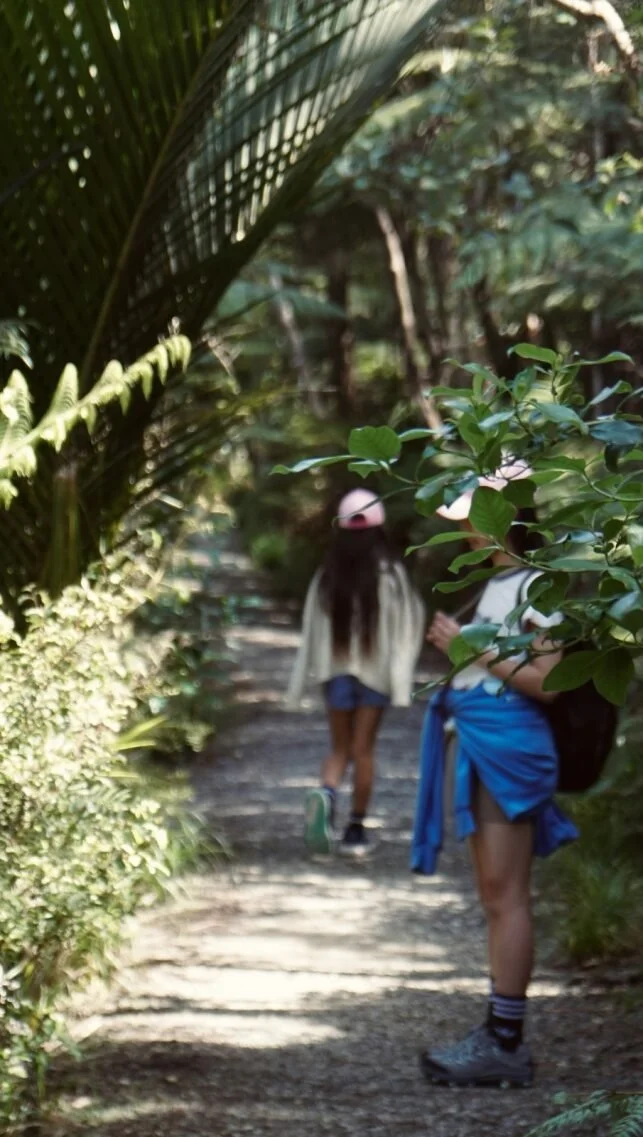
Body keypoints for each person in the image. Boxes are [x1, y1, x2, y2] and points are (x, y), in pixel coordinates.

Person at [411, 463, 578, 1088]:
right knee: (493, 897)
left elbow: (548, 683)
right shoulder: (501, 583)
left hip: (508, 745)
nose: (470, 535)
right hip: (485, 741)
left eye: (477, 520)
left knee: (506, 898)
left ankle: (505, 1042)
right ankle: (497, 1031)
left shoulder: (538, 585)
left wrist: (471, 648)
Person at [287, 488, 425, 858]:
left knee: (339, 749)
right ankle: (355, 830)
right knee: (364, 750)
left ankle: (327, 795)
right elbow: (408, 626)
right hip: (375, 677)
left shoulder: (328, 574)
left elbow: (312, 626)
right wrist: (401, 678)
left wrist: (308, 674)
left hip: (336, 674)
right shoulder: (391, 574)